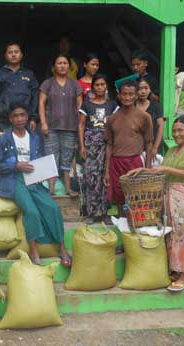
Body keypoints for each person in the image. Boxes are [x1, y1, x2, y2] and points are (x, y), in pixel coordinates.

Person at [127, 115, 184, 292]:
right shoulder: (172, 151)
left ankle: (183, 276)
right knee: (168, 233)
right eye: (174, 130)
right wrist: (144, 170)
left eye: (180, 130)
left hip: (182, 195)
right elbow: (160, 171)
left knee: (182, 234)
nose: (176, 134)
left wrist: (167, 169)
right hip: (167, 193)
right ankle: (173, 272)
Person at [0, 103, 72, 267]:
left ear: (27, 117)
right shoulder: (3, 139)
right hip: (14, 180)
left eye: (22, 115)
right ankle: (34, 250)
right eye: (16, 116)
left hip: (33, 179)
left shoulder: (35, 137)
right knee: (32, 211)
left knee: (53, 208)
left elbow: (41, 160)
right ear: (10, 118)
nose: (20, 119)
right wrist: (15, 165)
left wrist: (48, 179)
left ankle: (62, 247)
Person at [104, 80, 153, 212]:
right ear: (119, 95)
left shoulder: (144, 117)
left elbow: (149, 143)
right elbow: (109, 144)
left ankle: (135, 226)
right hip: (116, 162)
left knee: (136, 197)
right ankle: (122, 223)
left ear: (136, 95)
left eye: (131, 94)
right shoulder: (112, 119)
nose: (127, 97)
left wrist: (147, 169)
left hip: (134, 162)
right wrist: (107, 170)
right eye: (124, 94)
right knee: (119, 198)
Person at [39, 53, 83, 197]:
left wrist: (79, 123)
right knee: (51, 158)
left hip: (70, 127)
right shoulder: (47, 83)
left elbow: (80, 105)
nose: (62, 65)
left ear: (69, 66)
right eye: (59, 63)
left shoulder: (74, 84)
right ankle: (51, 190)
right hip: (51, 126)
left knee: (67, 158)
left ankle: (68, 189)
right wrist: (43, 123)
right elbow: (41, 103)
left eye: (65, 63)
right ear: (54, 67)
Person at [78, 74, 118, 224]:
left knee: (105, 177)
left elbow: (115, 126)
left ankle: (105, 212)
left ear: (106, 86)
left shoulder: (112, 105)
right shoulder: (86, 104)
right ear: (93, 87)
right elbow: (81, 125)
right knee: (90, 177)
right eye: (97, 85)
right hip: (90, 145)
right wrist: (82, 146)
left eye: (102, 84)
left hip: (107, 145)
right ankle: (92, 212)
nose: (100, 87)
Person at [0, 42, 39, 132]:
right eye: (10, 52)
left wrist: (34, 118)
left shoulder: (29, 74)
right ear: (6, 56)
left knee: (24, 146)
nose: (13, 54)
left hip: (25, 121)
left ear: (21, 55)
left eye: (16, 52)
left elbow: (35, 98)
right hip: (2, 121)